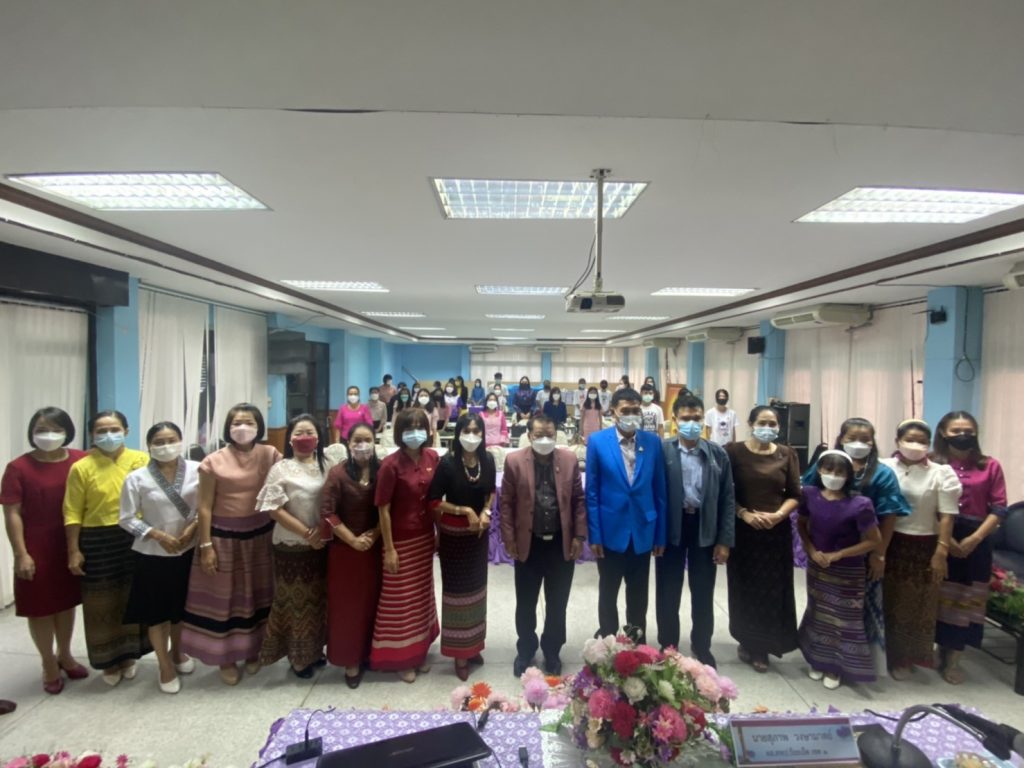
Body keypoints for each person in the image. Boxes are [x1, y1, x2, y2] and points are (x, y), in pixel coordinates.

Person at [181, 403, 282, 685]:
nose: (242, 428)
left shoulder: (271, 454)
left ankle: (252, 650)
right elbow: (204, 507)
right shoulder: (213, 462)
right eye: (237, 423)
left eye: (249, 422)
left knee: (257, 596)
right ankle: (224, 658)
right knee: (226, 599)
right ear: (228, 427)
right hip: (223, 539)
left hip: (260, 537)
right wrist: (205, 546)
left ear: (259, 426)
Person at [802, 417, 910, 653]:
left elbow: (889, 516)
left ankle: (856, 656)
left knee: (856, 607)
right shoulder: (826, 464)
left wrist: (879, 554)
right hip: (823, 548)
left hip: (862, 551)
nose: (859, 443)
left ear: (873, 442)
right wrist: (810, 547)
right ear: (841, 439)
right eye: (852, 438)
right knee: (821, 603)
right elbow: (807, 501)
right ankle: (819, 652)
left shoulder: (882, 474)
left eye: (865, 439)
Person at [2, 407, 88, 694]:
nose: (48, 435)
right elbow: (12, 513)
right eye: (41, 429)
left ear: (67, 431)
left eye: (55, 429)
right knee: (40, 607)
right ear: (31, 433)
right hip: (36, 545)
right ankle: (48, 662)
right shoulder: (18, 468)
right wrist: (20, 554)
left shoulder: (80, 460)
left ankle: (65, 654)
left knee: (65, 602)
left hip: (71, 542)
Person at [501, 415, 586, 676]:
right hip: (529, 544)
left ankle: (552, 651)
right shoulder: (514, 461)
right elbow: (506, 504)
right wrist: (509, 539)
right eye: (539, 435)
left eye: (550, 434)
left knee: (557, 603)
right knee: (526, 602)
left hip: (560, 544)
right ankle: (526, 649)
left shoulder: (569, 460)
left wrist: (579, 537)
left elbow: (579, 501)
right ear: (529, 435)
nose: (545, 440)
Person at [876, 418, 960, 680]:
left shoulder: (941, 473)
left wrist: (941, 552)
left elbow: (947, 516)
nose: (915, 445)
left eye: (922, 441)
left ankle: (905, 658)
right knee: (885, 599)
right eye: (910, 440)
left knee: (916, 605)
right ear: (897, 441)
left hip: (923, 546)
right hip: (888, 541)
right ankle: (880, 654)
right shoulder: (883, 466)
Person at [119, 421, 199, 694]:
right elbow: (126, 518)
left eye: (171, 440)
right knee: (158, 614)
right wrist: (158, 535)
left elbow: (206, 506)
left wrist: (192, 529)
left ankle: (178, 652)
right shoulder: (137, 478)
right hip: (153, 553)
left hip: (188, 548)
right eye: (159, 442)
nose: (166, 446)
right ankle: (164, 664)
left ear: (181, 440)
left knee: (181, 610)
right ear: (149, 446)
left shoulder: (198, 470)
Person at [656, 393, 735, 665]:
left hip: (705, 526)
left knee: (703, 590)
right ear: (675, 420)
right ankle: (668, 645)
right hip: (672, 528)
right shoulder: (663, 451)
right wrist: (656, 536)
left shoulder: (717, 454)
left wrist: (724, 540)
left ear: (704, 420)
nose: (692, 423)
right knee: (668, 590)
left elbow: (727, 498)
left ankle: (702, 645)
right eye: (686, 418)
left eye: (697, 418)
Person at [586, 389, 668, 642]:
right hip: (610, 532)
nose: (631, 415)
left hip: (643, 530)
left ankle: (635, 641)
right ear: (613, 412)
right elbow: (592, 493)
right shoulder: (598, 441)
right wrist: (594, 535)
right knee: (608, 592)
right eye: (626, 411)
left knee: (638, 594)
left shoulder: (653, 442)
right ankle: (608, 641)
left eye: (635, 410)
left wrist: (660, 535)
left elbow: (660, 491)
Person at [931, 411, 1006, 685]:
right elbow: (923, 503)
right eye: (956, 430)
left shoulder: (990, 465)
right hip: (939, 534)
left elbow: (999, 508)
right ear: (943, 432)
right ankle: (936, 648)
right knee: (939, 595)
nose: (963, 435)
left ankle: (954, 659)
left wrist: (974, 539)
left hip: (978, 538)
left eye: (968, 430)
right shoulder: (932, 463)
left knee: (964, 599)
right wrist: (946, 539)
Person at [725, 406, 801, 673]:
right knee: (744, 588)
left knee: (772, 590)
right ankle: (747, 641)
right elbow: (725, 491)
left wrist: (779, 515)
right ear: (750, 423)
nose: (767, 428)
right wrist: (743, 514)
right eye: (762, 422)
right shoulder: (733, 452)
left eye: (772, 424)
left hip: (775, 534)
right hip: (744, 532)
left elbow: (795, 494)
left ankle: (764, 647)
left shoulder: (787, 454)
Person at [796, 450, 881, 689]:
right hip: (818, 567)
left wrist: (838, 555)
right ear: (819, 470)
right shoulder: (809, 495)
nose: (833, 475)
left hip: (847, 571)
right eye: (828, 470)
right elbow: (802, 524)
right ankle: (817, 659)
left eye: (840, 471)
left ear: (848, 475)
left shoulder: (860, 504)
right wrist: (811, 550)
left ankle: (836, 668)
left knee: (843, 619)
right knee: (818, 613)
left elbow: (873, 540)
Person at [256, 414, 330, 679]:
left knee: (318, 600)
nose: (304, 437)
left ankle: (315, 651)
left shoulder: (328, 464)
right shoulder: (281, 468)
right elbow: (274, 510)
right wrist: (307, 533)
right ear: (289, 439)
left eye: (309, 432)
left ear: (318, 437)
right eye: (298, 433)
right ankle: (298, 658)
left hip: (322, 545)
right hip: (292, 546)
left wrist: (321, 532)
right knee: (296, 603)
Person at [370, 408, 440, 682]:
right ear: (400, 432)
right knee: (400, 601)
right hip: (399, 541)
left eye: (420, 427)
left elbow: (435, 500)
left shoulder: (432, 457)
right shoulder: (390, 465)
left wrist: (438, 532)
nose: (415, 433)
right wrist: (389, 549)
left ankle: (418, 652)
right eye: (409, 428)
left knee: (421, 597)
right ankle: (400, 658)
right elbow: (383, 509)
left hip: (424, 538)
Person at [428, 413, 496, 680]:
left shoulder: (487, 459)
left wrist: (486, 512)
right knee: (457, 595)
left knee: (478, 592)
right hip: (454, 539)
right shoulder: (447, 463)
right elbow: (434, 501)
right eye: (467, 430)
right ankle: (459, 653)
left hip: (478, 536)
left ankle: (473, 645)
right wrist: (464, 510)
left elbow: (491, 491)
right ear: (458, 434)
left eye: (477, 431)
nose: (472, 436)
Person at [321, 422, 381, 688]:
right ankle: (351, 661)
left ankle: (372, 654)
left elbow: (390, 507)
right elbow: (327, 513)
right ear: (348, 443)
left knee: (374, 604)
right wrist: (353, 540)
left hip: (375, 549)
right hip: (345, 552)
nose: (362, 445)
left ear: (375, 442)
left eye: (368, 440)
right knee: (348, 609)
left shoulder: (382, 471)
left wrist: (375, 535)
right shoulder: (338, 474)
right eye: (357, 440)